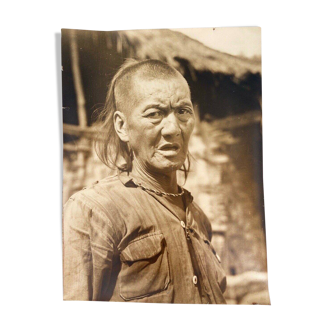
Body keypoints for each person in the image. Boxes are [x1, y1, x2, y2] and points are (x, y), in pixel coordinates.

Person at [62, 59, 227, 305]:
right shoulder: (95, 211)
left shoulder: (198, 217)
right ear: (122, 126)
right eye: (154, 114)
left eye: (183, 111)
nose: (173, 128)